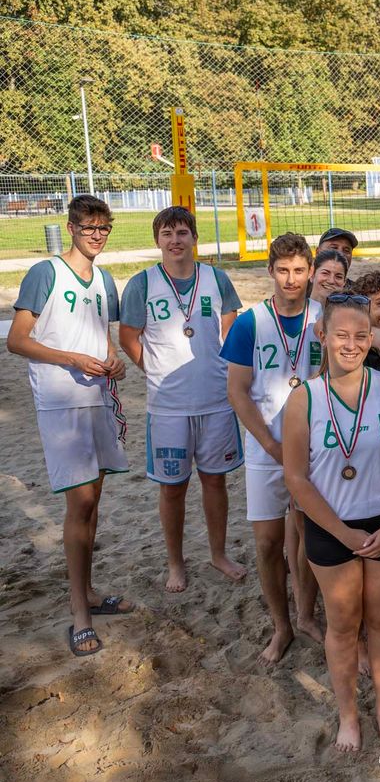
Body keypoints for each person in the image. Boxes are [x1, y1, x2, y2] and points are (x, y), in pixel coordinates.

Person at [281, 292, 380, 752]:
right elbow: (297, 479)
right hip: (332, 527)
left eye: (362, 336)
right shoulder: (304, 399)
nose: (352, 344)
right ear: (321, 335)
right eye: (341, 334)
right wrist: (345, 534)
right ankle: (347, 716)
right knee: (343, 625)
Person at [8, 195, 133, 656]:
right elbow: (17, 341)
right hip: (61, 401)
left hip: (97, 396)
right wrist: (71, 359)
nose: (97, 235)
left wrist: (113, 360)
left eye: (104, 228)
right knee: (80, 503)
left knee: (92, 501)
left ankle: (89, 594)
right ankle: (79, 613)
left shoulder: (103, 278)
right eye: (89, 227)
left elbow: (102, 334)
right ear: (71, 227)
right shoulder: (47, 272)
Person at [119, 206, 244, 593]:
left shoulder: (216, 278)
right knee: (172, 488)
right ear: (157, 240)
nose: (175, 240)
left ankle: (218, 553)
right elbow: (128, 337)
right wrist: (155, 370)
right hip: (168, 405)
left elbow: (231, 327)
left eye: (182, 232)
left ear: (194, 238)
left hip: (215, 401)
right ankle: (176, 562)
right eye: (167, 233)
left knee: (214, 482)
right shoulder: (142, 284)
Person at [222, 233, 324, 664]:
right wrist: (269, 442)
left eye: (299, 270)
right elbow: (238, 391)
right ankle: (281, 626)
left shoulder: (325, 316)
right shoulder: (251, 322)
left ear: (312, 272)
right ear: (270, 271)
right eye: (283, 270)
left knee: (309, 537)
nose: (291, 279)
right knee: (267, 544)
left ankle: (306, 615)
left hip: (316, 447)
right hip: (267, 447)